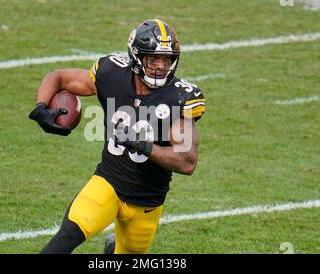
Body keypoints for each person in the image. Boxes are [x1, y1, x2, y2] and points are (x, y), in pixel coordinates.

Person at [29, 19, 206, 254]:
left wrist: (142, 144)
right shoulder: (112, 74)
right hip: (108, 182)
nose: (161, 66)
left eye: (167, 59)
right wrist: (42, 106)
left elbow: (187, 162)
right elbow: (59, 77)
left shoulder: (179, 98)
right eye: (153, 58)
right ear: (136, 57)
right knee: (68, 235)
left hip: (148, 201)